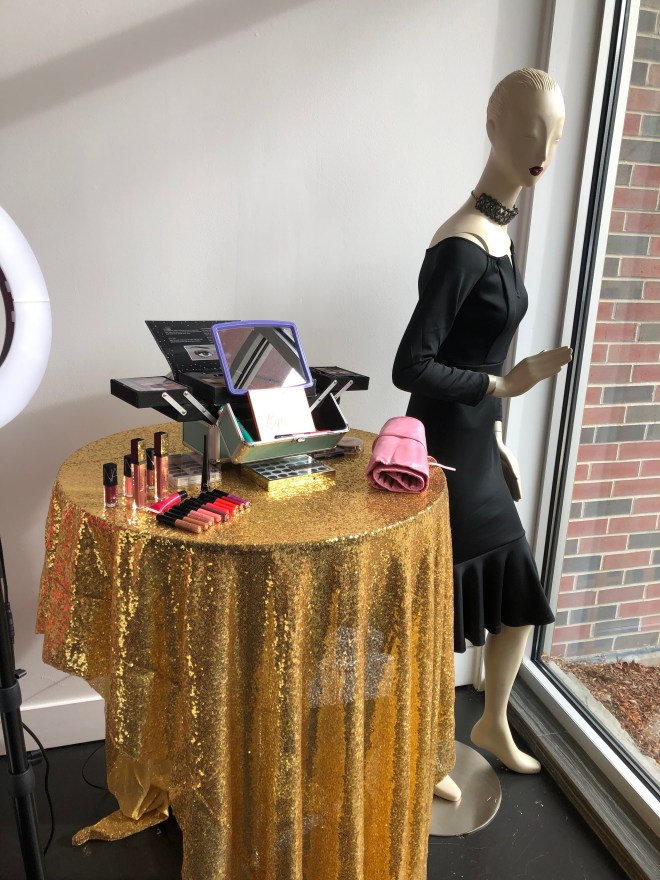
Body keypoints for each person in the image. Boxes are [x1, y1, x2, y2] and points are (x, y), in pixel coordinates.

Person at [392, 68, 571, 802]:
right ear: (494, 127)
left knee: (517, 589)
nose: (543, 149)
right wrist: (500, 388)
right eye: (530, 129)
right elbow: (412, 364)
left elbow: (482, 344)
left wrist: (496, 434)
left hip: (479, 444)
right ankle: (426, 748)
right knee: (443, 605)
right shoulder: (463, 244)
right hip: (444, 452)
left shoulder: (499, 233)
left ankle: (493, 722)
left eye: (555, 134)